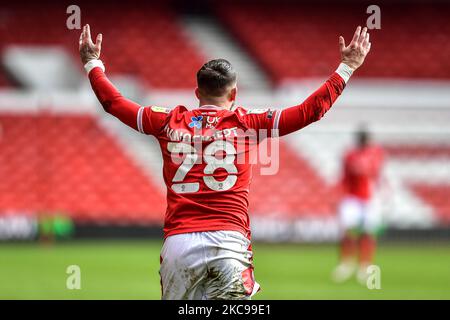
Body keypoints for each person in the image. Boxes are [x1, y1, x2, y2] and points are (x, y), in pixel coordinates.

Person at [79, 24, 371, 299]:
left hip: (179, 243)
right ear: (234, 93)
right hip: (227, 242)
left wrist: (93, 63)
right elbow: (310, 111)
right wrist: (346, 67)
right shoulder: (249, 123)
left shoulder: (167, 120)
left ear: (197, 93)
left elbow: (113, 103)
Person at [332, 127, 384, 284]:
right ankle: (346, 263)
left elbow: (376, 174)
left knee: (368, 232)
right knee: (348, 231)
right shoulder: (349, 155)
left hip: (369, 198)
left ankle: (365, 265)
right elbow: (344, 177)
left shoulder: (376, 154)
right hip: (352, 198)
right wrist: (338, 195)